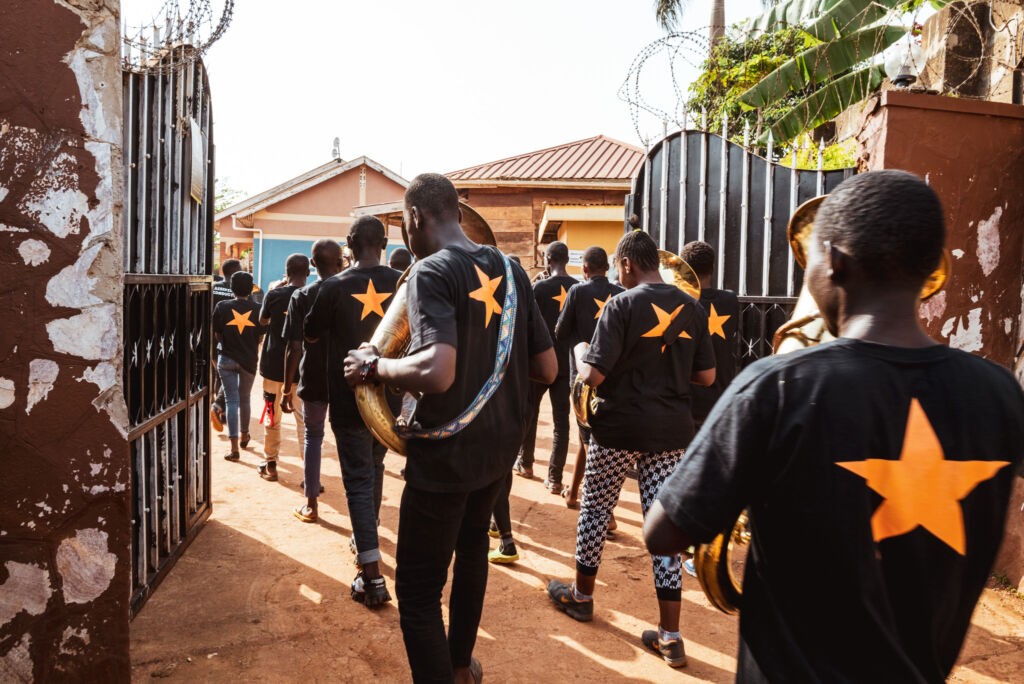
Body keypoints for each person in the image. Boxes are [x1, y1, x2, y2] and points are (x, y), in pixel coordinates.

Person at [644, 170, 1024, 682]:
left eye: (811, 261)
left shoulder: (776, 387)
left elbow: (662, 532)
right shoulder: (999, 394)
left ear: (836, 261)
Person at [345, 173, 556, 683]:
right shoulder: (512, 270)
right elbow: (547, 368)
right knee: (472, 554)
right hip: (496, 455)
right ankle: (461, 668)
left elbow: (438, 371)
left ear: (415, 218)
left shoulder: (429, 271)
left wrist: (374, 365)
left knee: (418, 594)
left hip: (445, 460)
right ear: (458, 214)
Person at [547, 230, 715, 671]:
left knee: (595, 510)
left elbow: (594, 376)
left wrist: (582, 354)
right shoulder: (693, 308)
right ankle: (670, 637)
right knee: (664, 529)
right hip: (670, 433)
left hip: (618, 429)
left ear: (626, 264)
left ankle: (582, 597)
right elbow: (707, 377)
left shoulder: (620, 305)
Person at [306, 216, 400, 608]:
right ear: (385, 242)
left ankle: (372, 577)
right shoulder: (402, 283)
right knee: (374, 468)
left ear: (349, 243)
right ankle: (367, 536)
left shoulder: (332, 286)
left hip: (349, 400)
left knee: (359, 480)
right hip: (390, 398)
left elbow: (310, 332)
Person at [553, 245, 624, 509]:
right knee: (587, 437)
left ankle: (605, 512)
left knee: (589, 439)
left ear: (584, 268)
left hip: (582, 377)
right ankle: (573, 493)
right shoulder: (621, 293)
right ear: (606, 268)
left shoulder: (577, 291)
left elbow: (560, 332)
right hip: (612, 375)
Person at [283, 240, 344, 522]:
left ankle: (311, 504)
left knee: (313, 437)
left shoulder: (301, 295)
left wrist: (287, 387)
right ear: (340, 262)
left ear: (312, 263)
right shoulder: (350, 289)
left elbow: (294, 346)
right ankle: (364, 513)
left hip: (314, 374)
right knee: (349, 439)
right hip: (346, 377)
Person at [512, 241, 578, 490]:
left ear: (548, 260)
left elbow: (526, 324)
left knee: (529, 414)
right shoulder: (578, 288)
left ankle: (526, 463)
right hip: (566, 365)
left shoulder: (539, 287)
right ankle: (555, 478)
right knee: (562, 423)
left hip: (539, 364)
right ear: (567, 259)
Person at [256, 255, 310, 482]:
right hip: (301, 369)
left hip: (273, 367)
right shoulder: (312, 296)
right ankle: (310, 474)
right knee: (304, 422)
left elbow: (262, 321)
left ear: (286, 273)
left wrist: (275, 291)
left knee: (271, 414)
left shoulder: (274, 294)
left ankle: (271, 464)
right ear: (308, 272)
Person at [213, 271, 264, 461]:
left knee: (231, 401)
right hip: (249, 360)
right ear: (251, 289)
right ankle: (244, 435)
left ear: (232, 288)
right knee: (245, 399)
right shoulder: (258, 308)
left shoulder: (222, 306)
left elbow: (217, 334)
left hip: (226, 358)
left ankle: (234, 448)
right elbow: (260, 337)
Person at [211, 259, 244, 431]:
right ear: (236, 271)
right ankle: (221, 409)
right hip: (234, 340)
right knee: (231, 377)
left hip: (213, 338)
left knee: (219, 375)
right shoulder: (239, 289)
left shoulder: (212, 288)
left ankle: (219, 408)